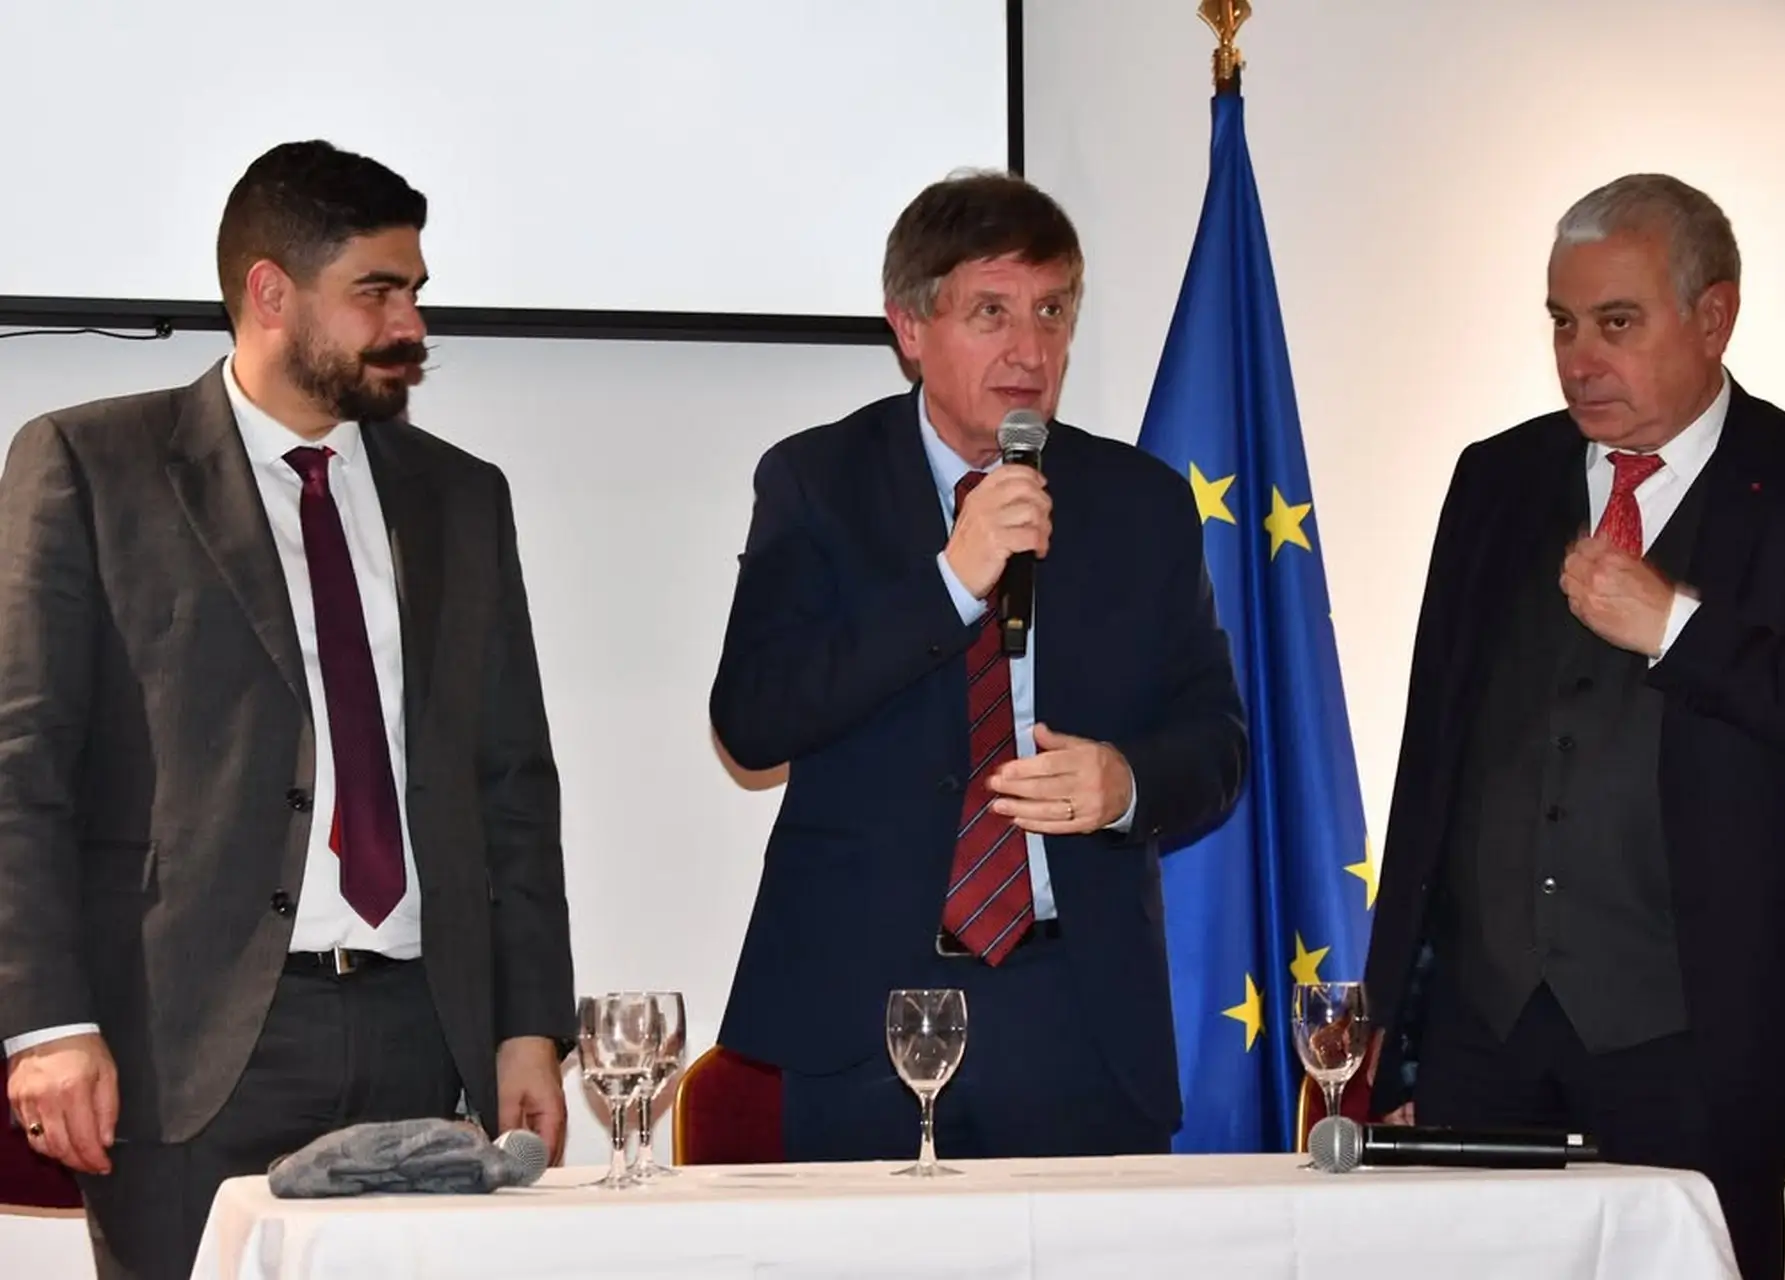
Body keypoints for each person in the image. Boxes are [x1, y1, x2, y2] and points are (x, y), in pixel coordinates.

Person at [0, 141, 576, 1280]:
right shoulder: (91, 464)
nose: (410, 323)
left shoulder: (461, 497)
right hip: (189, 1045)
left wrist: (528, 1024)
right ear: (271, 293)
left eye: (414, 290)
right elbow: (22, 763)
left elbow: (513, 777)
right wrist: (47, 1023)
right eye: (377, 291)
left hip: (419, 1032)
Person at [1364, 173, 1785, 1280]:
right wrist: (1397, 1011)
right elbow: (1434, 757)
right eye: (1563, 323)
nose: (1580, 359)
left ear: (1714, 317)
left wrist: (1680, 628)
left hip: (1706, 1038)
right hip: (1486, 1032)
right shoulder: (1496, 479)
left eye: (1617, 323)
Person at [710, 171, 1247, 1161]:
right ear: (909, 326)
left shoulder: (1141, 503)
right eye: (991, 312)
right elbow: (753, 720)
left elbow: (1218, 742)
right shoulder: (816, 481)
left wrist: (1126, 782)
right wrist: (951, 581)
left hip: (1077, 1012)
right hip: (863, 1009)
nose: (1030, 350)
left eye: (1052, 311)